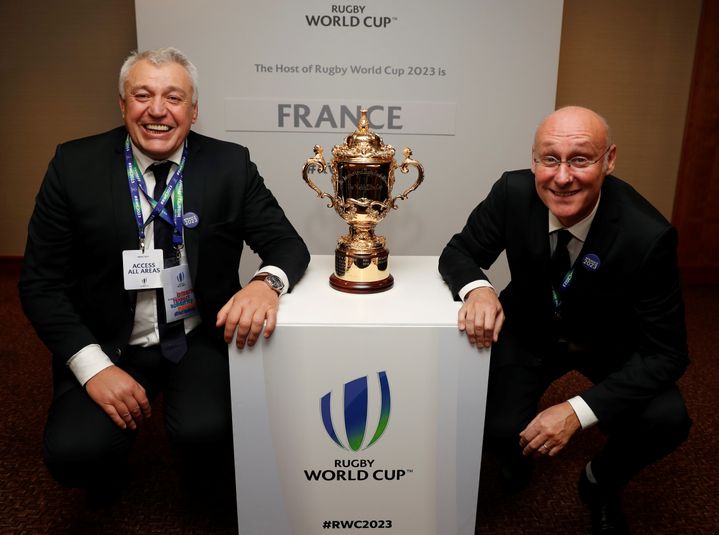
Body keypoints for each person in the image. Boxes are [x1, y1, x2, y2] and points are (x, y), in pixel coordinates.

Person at [18, 47, 310, 506]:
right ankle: (109, 460)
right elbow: (40, 283)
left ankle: (200, 466)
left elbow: (288, 246)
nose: (157, 110)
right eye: (143, 95)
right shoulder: (74, 167)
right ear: (122, 104)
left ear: (194, 110)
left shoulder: (229, 165)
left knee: (207, 435)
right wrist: (93, 368)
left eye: (174, 98)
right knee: (75, 454)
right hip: (107, 342)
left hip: (196, 336)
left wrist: (264, 284)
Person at [439, 106, 690, 534]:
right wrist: (478, 288)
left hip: (610, 342)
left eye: (580, 159)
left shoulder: (647, 235)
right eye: (550, 158)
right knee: (498, 428)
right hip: (530, 327)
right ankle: (514, 450)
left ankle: (600, 482)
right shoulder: (512, 192)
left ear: (609, 160)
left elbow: (669, 353)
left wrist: (577, 411)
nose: (562, 177)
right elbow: (458, 253)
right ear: (534, 160)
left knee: (667, 419)